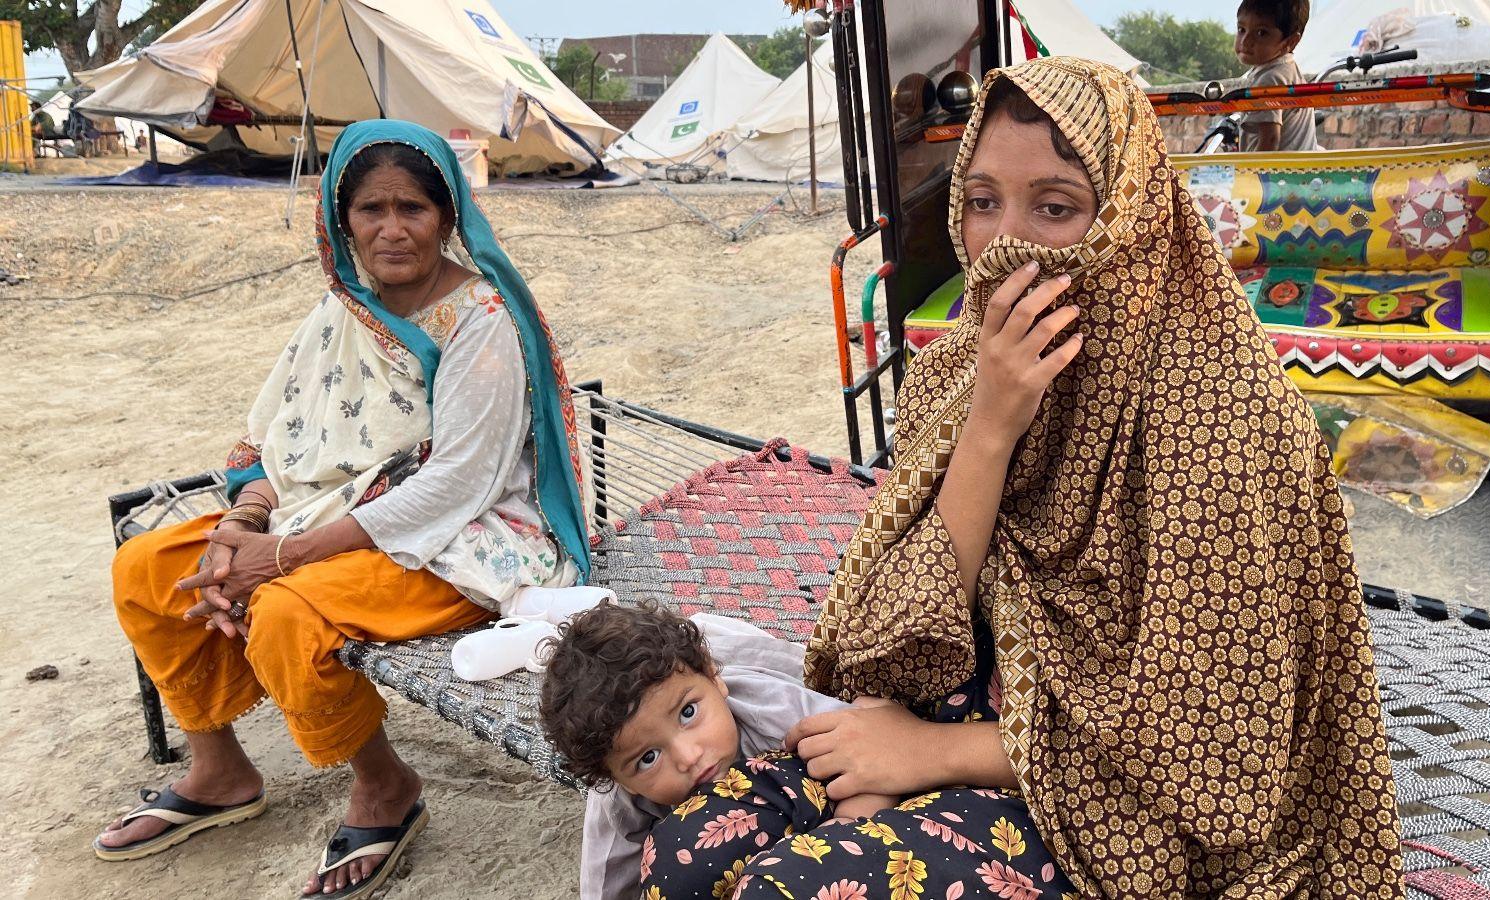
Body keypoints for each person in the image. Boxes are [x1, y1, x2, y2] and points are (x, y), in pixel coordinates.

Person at [772, 56, 1400, 897]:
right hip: (976, 701)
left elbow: (1212, 752)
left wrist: (933, 756)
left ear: (1129, 218)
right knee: (692, 852)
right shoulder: (958, 368)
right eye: (983, 201)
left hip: (1126, 808)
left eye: (1057, 208)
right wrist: (992, 423)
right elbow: (898, 625)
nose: (1009, 244)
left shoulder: (1221, 418)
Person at [94, 119, 592, 900]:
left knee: (290, 614)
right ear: (341, 217)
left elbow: (459, 483)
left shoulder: (481, 321)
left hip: (462, 537)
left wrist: (284, 558)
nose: (392, 230)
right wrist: (243, 522)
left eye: (413, 210)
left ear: (447, 216)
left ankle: (386, 786)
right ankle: (219, 771)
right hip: (321, 514)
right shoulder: (343, 309)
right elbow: (275, 435)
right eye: (371, 210)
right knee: (147, 568)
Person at [539, 600, 900, 899]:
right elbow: (607, 882)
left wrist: (844, 828)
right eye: (648, 758)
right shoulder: (620, 800)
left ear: (714, 680)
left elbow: (875, 756)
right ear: (618, 778)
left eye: (688, 713)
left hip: (768, 678)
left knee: (872, 706)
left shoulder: (779, 717)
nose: (688, 756)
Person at [1235, 0, 1319, 151]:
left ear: (1291, 41)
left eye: (1261, 33)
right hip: (1298, 171)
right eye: (1241, 29)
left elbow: (1270, 139)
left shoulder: (1269, 80)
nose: (1246, 41)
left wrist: (1254, 172)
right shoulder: (1288, 69)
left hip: (1274, 173)